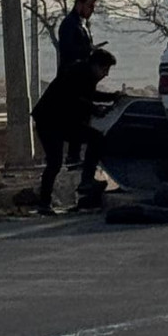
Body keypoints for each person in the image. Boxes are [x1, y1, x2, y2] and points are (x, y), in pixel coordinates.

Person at [32, 48, 120, 214]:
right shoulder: (78, 74)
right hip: (50, 121)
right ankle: (46, 201)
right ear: (95, 65)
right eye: (105, 69)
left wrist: (111, 97)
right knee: (55, 161)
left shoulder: (84, 74)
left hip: (61, 120)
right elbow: (74, 99)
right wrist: (95, 109)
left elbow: (88, 95)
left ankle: (84, 182)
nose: (106, 74)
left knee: (94, 140)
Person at [57, 0, 98, 166]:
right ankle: (72, 157)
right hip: (72, 79)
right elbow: (68, 51)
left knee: (83, 118)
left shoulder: (84, 25)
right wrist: (87, 51)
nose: (92, 10)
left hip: (83, 79)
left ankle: (76, 156)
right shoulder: (69, 25)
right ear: (79, 4)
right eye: (90, 6)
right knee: (75, 119)